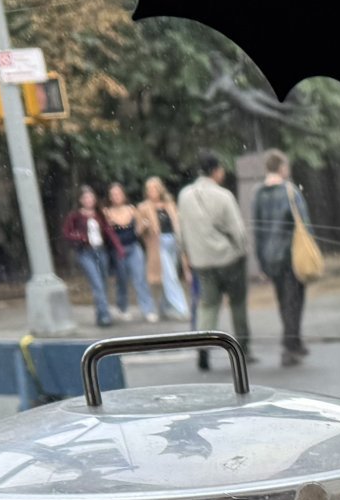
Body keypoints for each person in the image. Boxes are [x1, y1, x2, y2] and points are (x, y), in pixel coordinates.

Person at [178, 153, 250, 367]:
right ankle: (243, 346)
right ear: (216, 170)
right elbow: (237, 230)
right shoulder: (224, 196)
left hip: (201, 260)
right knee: (237, 302)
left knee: (208, 304)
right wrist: (242, 249)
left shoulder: (184, 195)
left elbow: (182, 230)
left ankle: (203, 346)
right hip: (228, 258)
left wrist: (187, 253)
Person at [249, 150, 313, 366]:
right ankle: (290, 345)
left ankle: (294, 341)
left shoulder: (258, 194)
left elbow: (257, 230)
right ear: (282, 168)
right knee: (295, 300)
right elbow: (304, 223)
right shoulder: (290, 191)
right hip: (290, 254)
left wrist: (261, 259)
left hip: (270, 256)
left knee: (283, 300)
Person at [62, 184, 117, 326]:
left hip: (101, 250)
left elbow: (108, 231)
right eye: (86, 198)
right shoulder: (75, 216)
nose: (89, 200)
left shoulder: (99, 214)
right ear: (81, 200)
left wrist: (118, 248)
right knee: (97, 283)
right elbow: (67, 233)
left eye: (91, 197)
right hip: (85, 252)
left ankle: (100, 314)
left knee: (103, 283)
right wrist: (81, 238)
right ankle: (105, 316)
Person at [138, 175, 192, 320]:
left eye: (154, 188)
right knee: (170, 276)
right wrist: (144, 225)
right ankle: (182, 309)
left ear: (160, 189)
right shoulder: (144, 207)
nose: (152, 192)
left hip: (173, 241)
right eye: (149, 189)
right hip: (158, 243)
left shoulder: (169, 204)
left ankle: (166, 308)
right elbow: (138, 230)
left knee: (168, 275)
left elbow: (178, 222)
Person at [102, 182, 147, 320]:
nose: (116, 196)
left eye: (118, 193)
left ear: (123, 194)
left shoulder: (131, 209)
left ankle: (147, 309)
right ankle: (123, 308)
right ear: (110, 197)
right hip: (117, 250)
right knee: (121, 280)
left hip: (133, 247)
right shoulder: (106, 212)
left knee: (140, 278)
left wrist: (142, 227)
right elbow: (105, 233)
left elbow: (139, 229)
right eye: (113, 194)